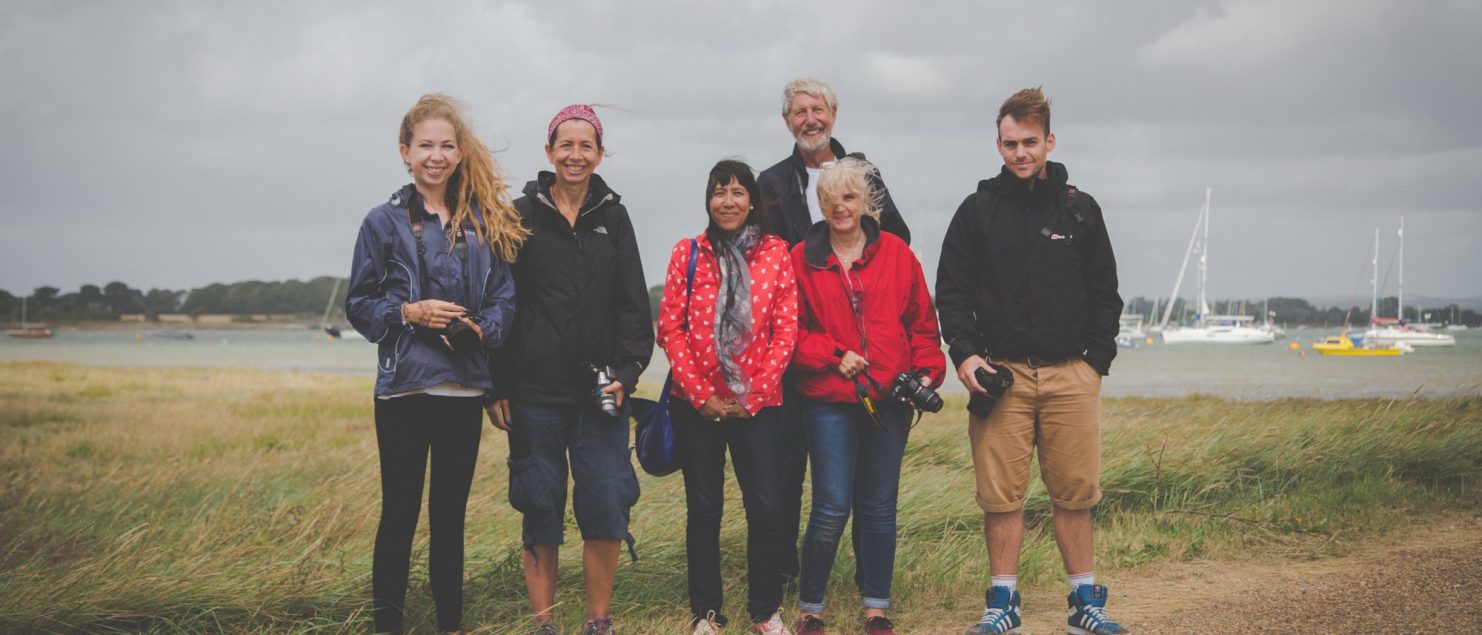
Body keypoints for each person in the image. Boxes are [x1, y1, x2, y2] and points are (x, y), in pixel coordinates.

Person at [935, 87, 1127, 635]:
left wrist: (1095, 362)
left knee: (1075, 493)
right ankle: (1002, 605)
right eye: (1011, 143)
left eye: (1030, 142)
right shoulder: (976, 211)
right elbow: (952, 292)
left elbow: (1105, 292)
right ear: (997, 144)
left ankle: (1085, 602)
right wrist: (967, 355)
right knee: (1001, 497)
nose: (1020, 153)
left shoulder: (1080, 208)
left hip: (1072, 373)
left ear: (1050, 141)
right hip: (1001, 374)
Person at [346, 93, 526, 634]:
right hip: (402, 390)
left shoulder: (482, 219)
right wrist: (409, 311)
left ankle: (452, 627)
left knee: (449, 521)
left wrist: (481, 331)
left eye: (447, 145)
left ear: (459, 152)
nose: (436, 155)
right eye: (425, 145)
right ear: (405, 152)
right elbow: (358, 303)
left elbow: (504, 298)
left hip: (464, 392)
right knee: (398, 517)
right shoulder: (381, 222)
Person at [485, 104, 653, 635]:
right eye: (566, 145)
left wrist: (626, 372)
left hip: (601, 391)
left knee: (604, 499)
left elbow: (633, 305)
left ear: (600, 153)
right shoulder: (520, 214)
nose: (575, 155)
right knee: (540, 502)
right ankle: (544, 623)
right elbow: (499, 301)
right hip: (533, 392)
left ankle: (598, 622)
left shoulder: (614, 217)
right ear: (549, 152)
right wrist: (496, 384)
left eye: (586, 146)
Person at [756, 76, 914, 593]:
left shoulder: (864, 171)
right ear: (787, 122)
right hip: (797, 352)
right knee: (794, 482)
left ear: (833, 114)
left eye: (817, 109)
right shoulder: (771, 181)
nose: (809, 119)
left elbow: (898, 242)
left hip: (867, 367)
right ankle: (787, 582)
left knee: (871, 496)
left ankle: (871, 592)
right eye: (799, 112)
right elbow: (762, 260)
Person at [788, 157, 945, 635]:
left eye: (850, 197)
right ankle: (810, 608)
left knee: (879, 507)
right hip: (829, 400)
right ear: (820, 204)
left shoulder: (897, 252)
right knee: (832, 505)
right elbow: (789, 334)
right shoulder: (801, 257)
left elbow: (922, 324)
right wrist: (833, 354)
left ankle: (877, 608)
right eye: (830, 198)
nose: (840, 206)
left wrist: (926, 373)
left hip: (890, 402)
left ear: (866, 202)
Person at [657, 159, 799, 635]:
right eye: (720, 192)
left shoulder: (776, 253)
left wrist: (753, 396)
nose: (729, 201)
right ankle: (707, 613)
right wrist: (700, 396)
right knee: (705, 509)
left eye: (739, 192)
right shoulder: (688, 253)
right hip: (696, 406)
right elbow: (670, 329)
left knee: (766, 506)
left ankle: (764, 610)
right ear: (708, 199)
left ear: (753, 201)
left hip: (757, 407)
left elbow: (786, 330)